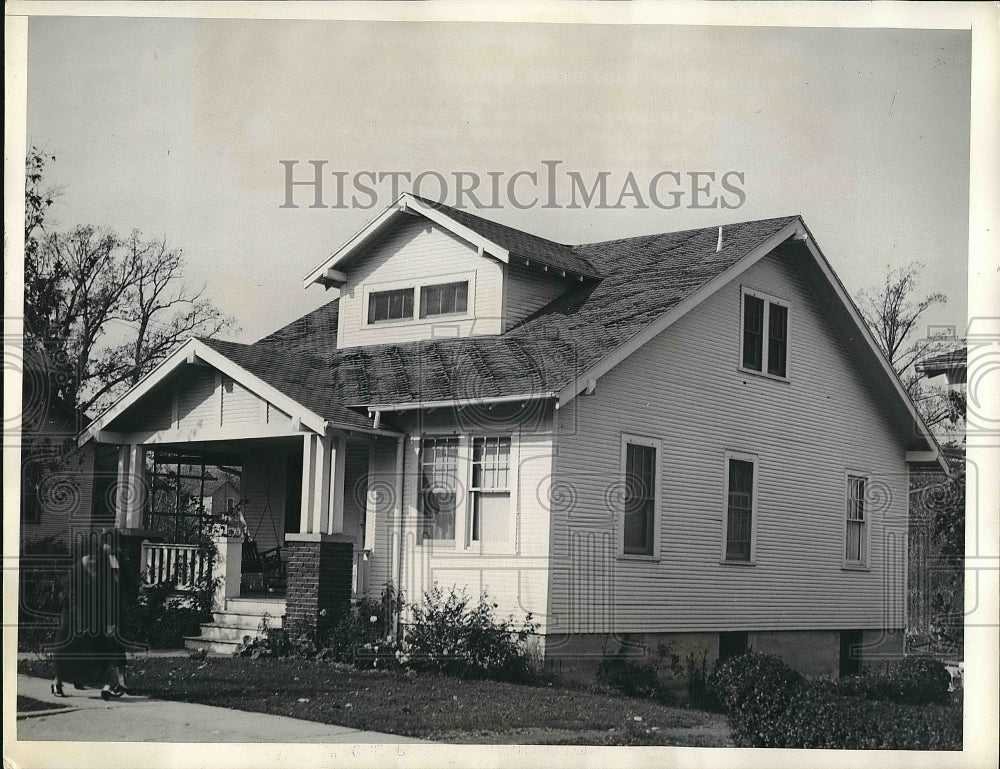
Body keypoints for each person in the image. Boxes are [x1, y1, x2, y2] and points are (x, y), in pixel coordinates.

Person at [51, 534, 127, 700]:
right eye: (89, 558)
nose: (92, 562)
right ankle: (57, 682)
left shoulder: (101, 570)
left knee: (96, 649)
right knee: (66, 650)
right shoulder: (75, 572)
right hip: (71, 616)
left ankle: (106, 683)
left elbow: (107, 595)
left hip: (91, 615)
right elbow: (73, 599)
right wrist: (81, 619)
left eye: (95, 558)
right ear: (82, 557)